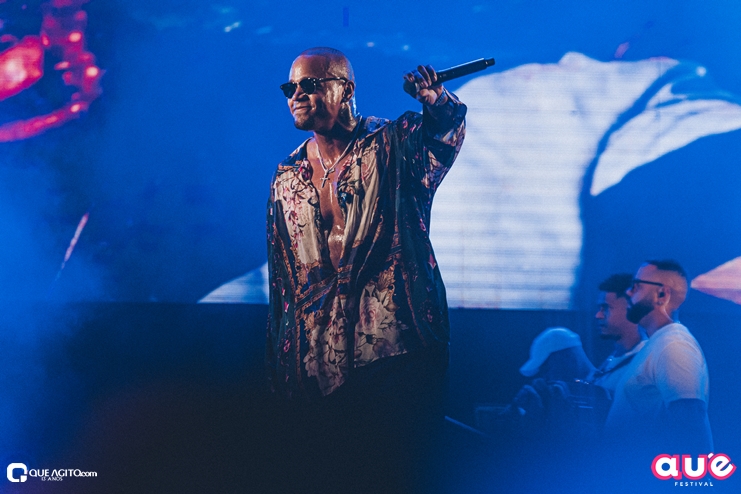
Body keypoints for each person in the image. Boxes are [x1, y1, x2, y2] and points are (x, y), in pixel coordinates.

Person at [265, 47, 466, 492]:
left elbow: (443, 136)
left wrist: (435, 102)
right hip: (319, 364)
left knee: (399, 475)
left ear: (346, 89)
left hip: (396, 349)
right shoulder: (287, 176)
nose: (297, 95)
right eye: (290, 88)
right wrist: (282, 366)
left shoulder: (392, 143)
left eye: (310, 85)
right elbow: (283, 282)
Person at [605, 260, 712, 454]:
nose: (628, 292)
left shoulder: (674, 346)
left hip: (645, 474)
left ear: (661, 294)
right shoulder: (658, 343)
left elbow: (691, 433)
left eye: (636, 286)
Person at [589, 273, 646, 399]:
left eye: (605, 308)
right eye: (599, 308)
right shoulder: (614, 358)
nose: (598, 315)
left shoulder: (646, 362)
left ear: (631, 309)